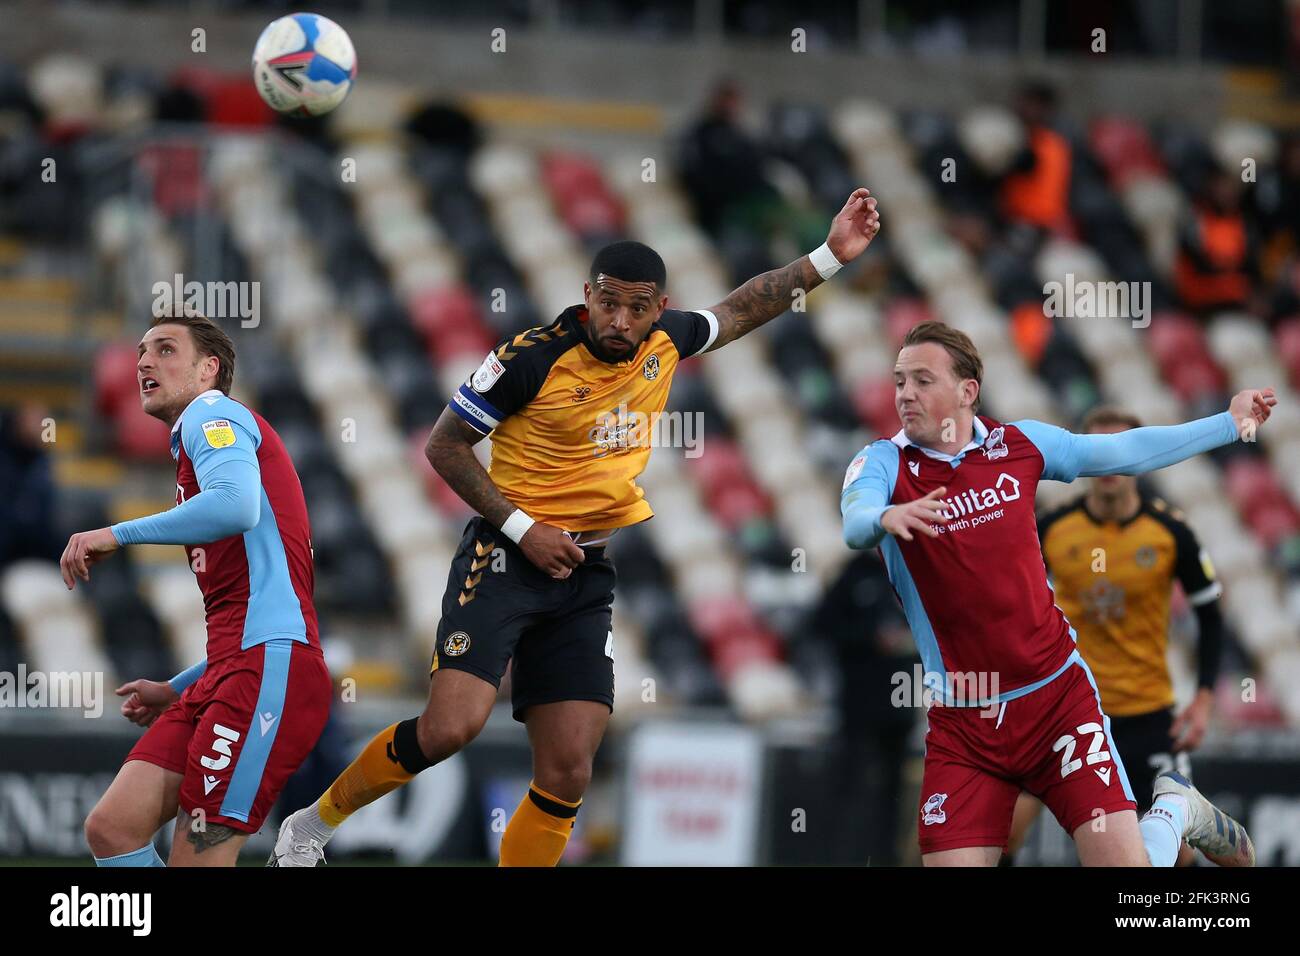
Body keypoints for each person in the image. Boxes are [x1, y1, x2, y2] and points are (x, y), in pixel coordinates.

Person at [270, 188, 882, 866]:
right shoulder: (529, 358)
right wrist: (523, 527)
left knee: (568, 769)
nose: (619, 319)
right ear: (586, 294)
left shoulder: (667, 344)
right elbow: (444, 446)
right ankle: (311, 825)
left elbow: (742, 306)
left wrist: (830, 254)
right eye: (608, 302)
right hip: (506, 559)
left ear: (660, 310)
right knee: (452, 727)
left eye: (637, 307)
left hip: (585, 573)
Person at [841, 320, 1270, 866]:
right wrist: (885, 514)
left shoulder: (1019, 446)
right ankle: (1168, 816)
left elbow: (1124, 451)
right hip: (964, 724)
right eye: (900, 380)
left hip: (1056, 701)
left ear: (967, 391)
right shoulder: (883, 463)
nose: (905, 394)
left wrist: (1229, 424)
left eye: (922, 380)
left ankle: (1171, 812)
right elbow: (855, 525)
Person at [65, 308, 331, 866]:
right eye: (140, 352)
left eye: (164, 349)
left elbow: (236, 506)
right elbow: (252, 602)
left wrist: (117, 533)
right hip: (231, 671)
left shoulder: (211, 413)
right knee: (112, 829)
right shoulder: (203, 446)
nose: (143, 361)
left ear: (209, 369)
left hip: (265, 672)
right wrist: (179, 684)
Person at [1005, 406, 1225, 865]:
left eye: (1120, 450)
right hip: (1069, 711)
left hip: (1146, 715)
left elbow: (1210, 613)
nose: (1111, 468)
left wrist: (1204, 697)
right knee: (1005, 832)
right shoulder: (1051, 528)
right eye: (1101, 452)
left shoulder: (1170, 531)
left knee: (1179, 852)